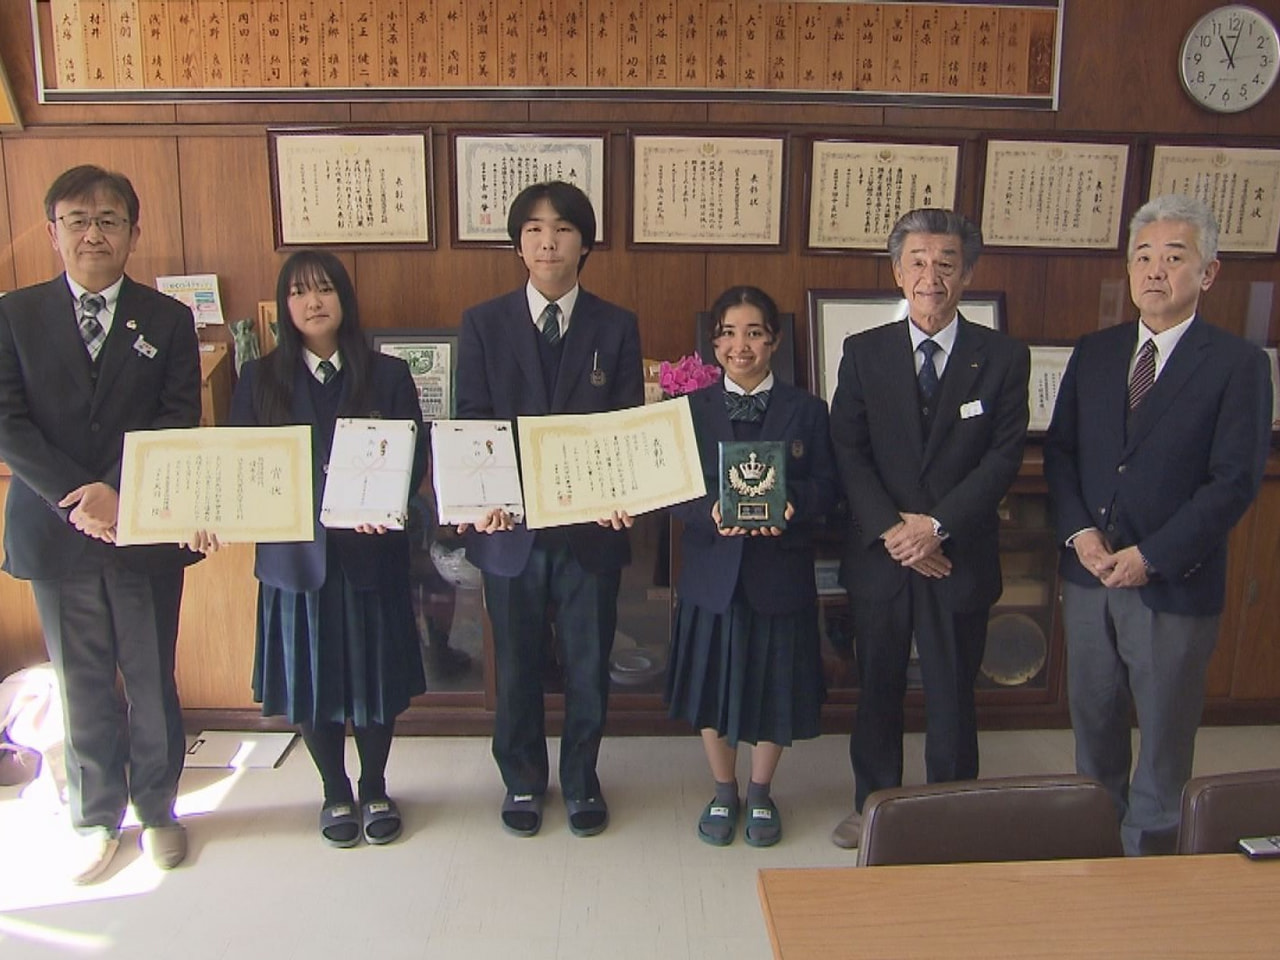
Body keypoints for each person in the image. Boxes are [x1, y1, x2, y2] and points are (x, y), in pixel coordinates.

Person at [1043, 195, 1272, 856]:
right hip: (1089, 577)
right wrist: (1080, 534)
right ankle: (1094, 841)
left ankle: (1151, 858)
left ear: (1209, 273)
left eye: (1175, 257)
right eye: (1143, 256)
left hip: (1172, 582)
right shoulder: (1096, 351)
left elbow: (1233, 481)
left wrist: (1153, 555)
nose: (1155, 271)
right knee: (1094, 722)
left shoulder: (1237, 365)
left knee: (1166, 738)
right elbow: (1061, 453)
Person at [0, 165, 202, 882]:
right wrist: (77, 496)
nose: (94, 233)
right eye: (78, 220)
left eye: (109, 219)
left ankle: (158, 810)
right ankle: (94, 817)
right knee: (80, 678)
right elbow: (7, 421)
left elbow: (179, 416)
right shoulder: (13, 314)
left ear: (133, 233)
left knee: (151, 676)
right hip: (54, 532)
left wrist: (119, 493)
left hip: (144, 525)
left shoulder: (168, 318)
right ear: (52, 231)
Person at [190, 250, 427, 848]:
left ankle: (375, 785)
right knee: (311, 682)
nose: (313, 302)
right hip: (295, 561)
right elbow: (243, 467)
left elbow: (412, 459)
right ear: (285, 305)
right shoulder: (260, 378)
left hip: (370, 553)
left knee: (375, 681)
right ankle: (333, 792)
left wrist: (390, 508)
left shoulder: (388, 375)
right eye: (298, 293)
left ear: (344, 299)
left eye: (324, 289)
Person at [827, 208, 1030, 849]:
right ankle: (873, 806)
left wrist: (936, 527)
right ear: (896, 270)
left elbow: (1004, 456)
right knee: (878, 689)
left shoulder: (1001, 356)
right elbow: (847, 451)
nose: (930, 276)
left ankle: (952, 811)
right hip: (883, 557)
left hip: (957, 555)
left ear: (968, 272)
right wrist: (896, 532)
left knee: (951, 693)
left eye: (946, 262)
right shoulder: (864, 353)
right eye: (917, 261)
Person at [456, 181, 643, 838]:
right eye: (534, 229)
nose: (548, 241)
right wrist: (487, 500)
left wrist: (626, 494)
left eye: (562, 229)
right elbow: (473, 421)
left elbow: (624, 426)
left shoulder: (616, 325)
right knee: (517, 661)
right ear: (517, 245)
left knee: (590, 661)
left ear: (583, 244)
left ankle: (584, 778)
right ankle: (523, 781)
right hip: (512, 532)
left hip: (590, 531)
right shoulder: (482, 323)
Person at [665, 286, 837, 847]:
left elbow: (829, 489)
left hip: (779, 570)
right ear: (714, 343)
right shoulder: (687, 412)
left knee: (774, 685)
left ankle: (761, 791)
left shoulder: (808, 411)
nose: (742, 346)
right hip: (712, 574)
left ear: (775, 342)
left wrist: (795, 505)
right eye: (730, 333)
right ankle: (723, 789)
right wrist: (709, 511)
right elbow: (669, 492)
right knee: (713, 684)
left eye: (755, 333)